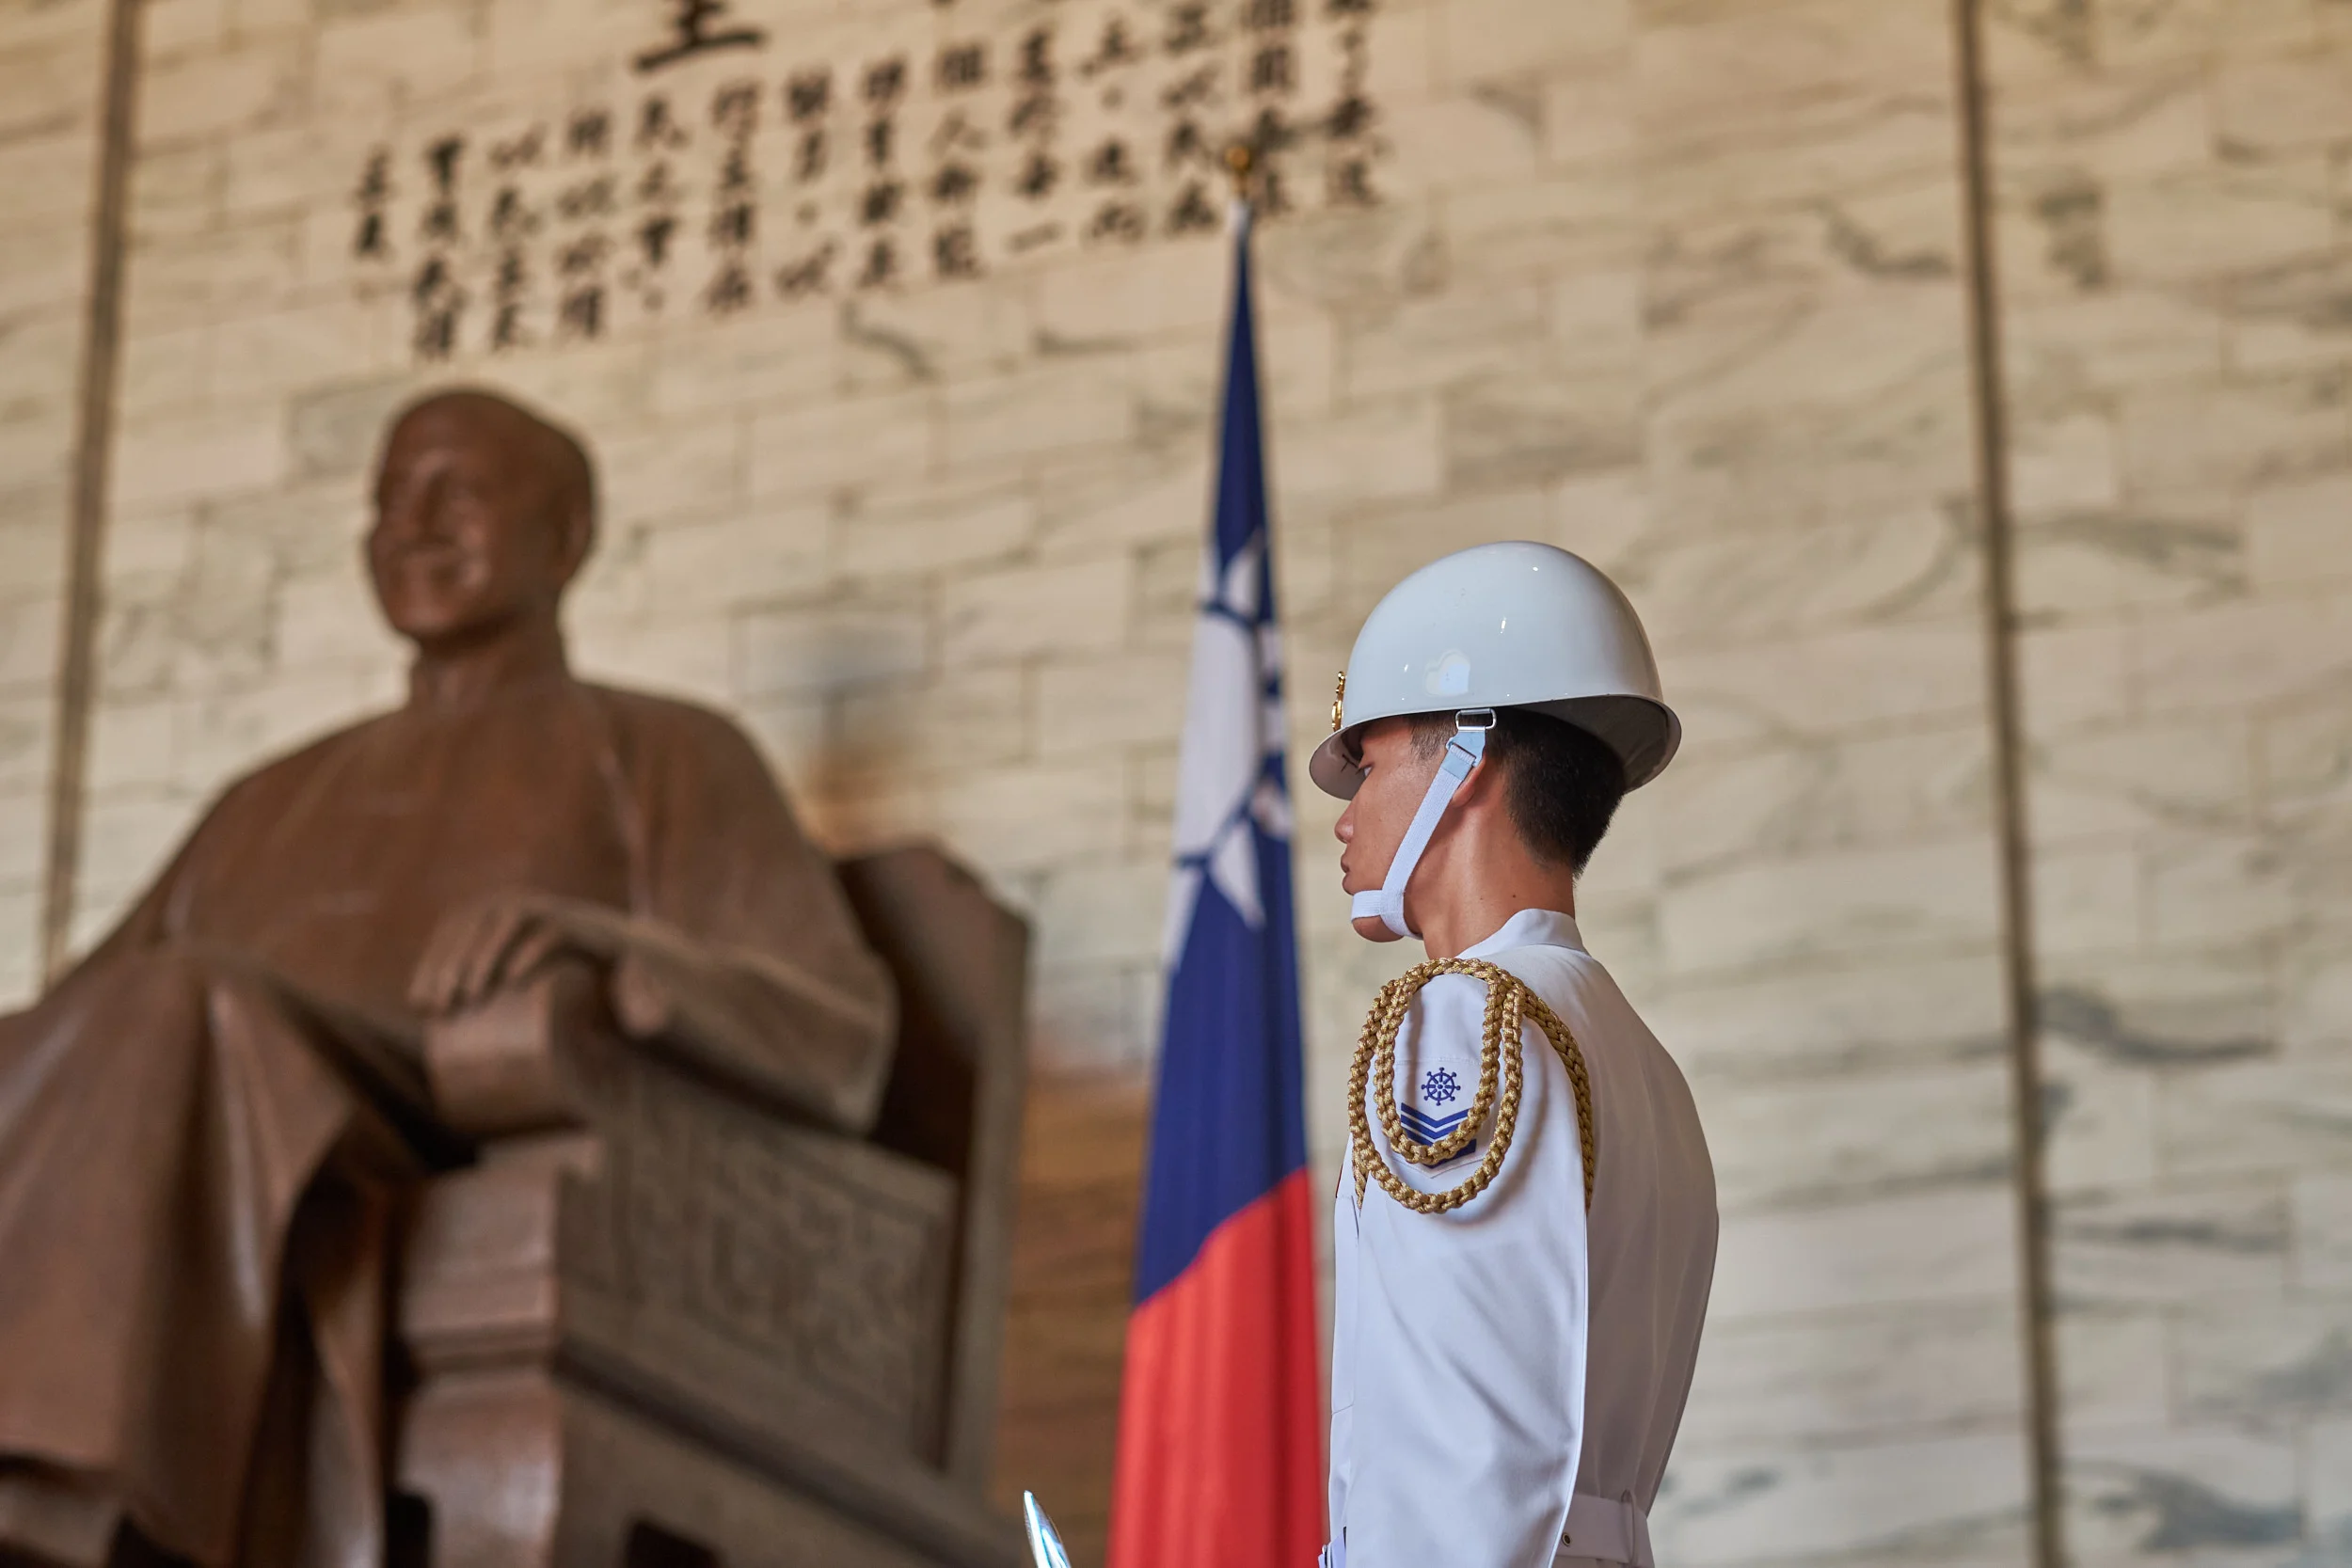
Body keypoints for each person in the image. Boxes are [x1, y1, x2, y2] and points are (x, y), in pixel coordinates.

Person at [0, 388, 897, 1567]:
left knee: (185, 999)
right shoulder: (268, 798)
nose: (409, 527)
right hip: (233, 1125)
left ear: (564, 536)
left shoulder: (661, 750)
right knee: (154, 1010)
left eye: (456, 494)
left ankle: (46, 1503)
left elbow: (838, 1031)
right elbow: (71, 1032)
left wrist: (607, 946)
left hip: (442, 1127)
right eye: (385, 501)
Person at [1311, 540, 1717, 1568]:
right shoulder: (1635, 1053)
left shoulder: (1466, 1023)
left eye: (1367, 763)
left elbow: (1464, 1457)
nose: (1345, 818)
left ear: (1466, 762)